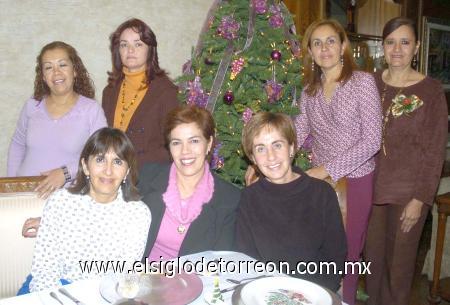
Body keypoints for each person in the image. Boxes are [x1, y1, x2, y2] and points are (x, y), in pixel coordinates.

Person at [294, 19, 381, 305]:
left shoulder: (363, 83)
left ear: (343, 45)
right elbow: (298, 130)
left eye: (331, 40)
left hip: (355, 181)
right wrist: (270, 156)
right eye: (317, 43)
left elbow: (372, 141)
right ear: (310, 51)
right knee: (319, 247)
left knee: (349, 253)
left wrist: (326, 170)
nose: (324, 48)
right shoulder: (309, 90)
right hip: (320, 184)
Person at [364, 17, 448, 305]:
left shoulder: (431, 91)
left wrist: (420, 199)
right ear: (383, 47)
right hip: (370, 189)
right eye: (390, 42)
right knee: (371, 265)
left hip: (408, 194)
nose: (397, 49)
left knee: (398, 271)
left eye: (405, 42)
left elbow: (435, 152)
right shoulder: (368, 83)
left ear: (417, 47)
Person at [28, 127, 151, 292]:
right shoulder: (60, 203)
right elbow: (45, 271)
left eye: (117, 162)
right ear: (85, 166)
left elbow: (124, 277)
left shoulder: (138, 214)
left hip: (105, 294)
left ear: (127, 171)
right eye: (100, 160)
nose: (108, 170)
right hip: (53, 290)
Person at [236, 112, 347, 292]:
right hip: (267, 291)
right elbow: (247, 257)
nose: (270, 156)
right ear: (253, 158)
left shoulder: (321, 194)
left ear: (291, 148)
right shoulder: (249, 198)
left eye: (277, 145)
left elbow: (335, 256)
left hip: (316, 291)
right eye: (261, 149)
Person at [7, 41, 107, 199]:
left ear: (75, 70)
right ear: (43, 76)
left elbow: (101, 155)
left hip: (67, 201)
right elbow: (17, 145)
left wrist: (65, 173)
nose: (56, 73)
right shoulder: (32, 106)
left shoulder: (91, 110)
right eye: (48, 67)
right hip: (24, 197)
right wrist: (11, 186)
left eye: (62, 65)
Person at [139, 105, 240, 261]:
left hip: (196, 281)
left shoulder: (229, 198)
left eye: (194, 141)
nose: (185, 151)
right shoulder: (147, 178)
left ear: (209, 143)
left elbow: (222, 262)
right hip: (142, 277)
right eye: (176, 143)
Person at [102, 18, 179, 167]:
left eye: (138, 44)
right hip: (111, 175)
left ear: (150, 50)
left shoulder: (166, 92)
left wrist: (130, 163)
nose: (130, 50)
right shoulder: (109, 91)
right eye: (124, 45)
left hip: (149, 177)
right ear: (118, 50)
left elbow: (173, 146)